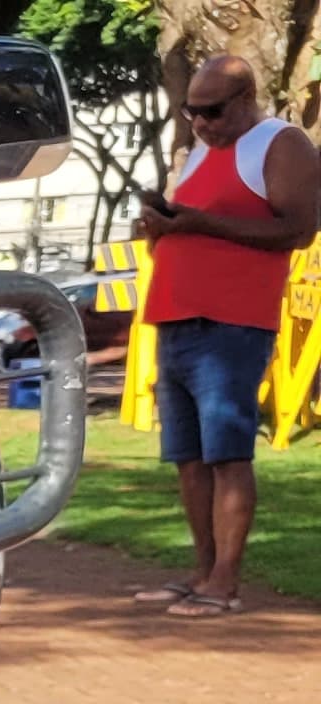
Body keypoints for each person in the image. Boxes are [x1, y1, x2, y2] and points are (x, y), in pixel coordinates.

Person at [132, 55, 318, 620]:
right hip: (176, 318)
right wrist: (159, 227)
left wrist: (199, 224)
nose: (201, 123)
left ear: (244, 99)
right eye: (192, 112)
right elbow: (188, 227)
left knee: (227, 453)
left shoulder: (279, 142)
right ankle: (200, 571)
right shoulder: (200, 156)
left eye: (212, 112)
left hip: (232, 324)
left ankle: (225, 581)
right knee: (189, 456)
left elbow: (299, 228)